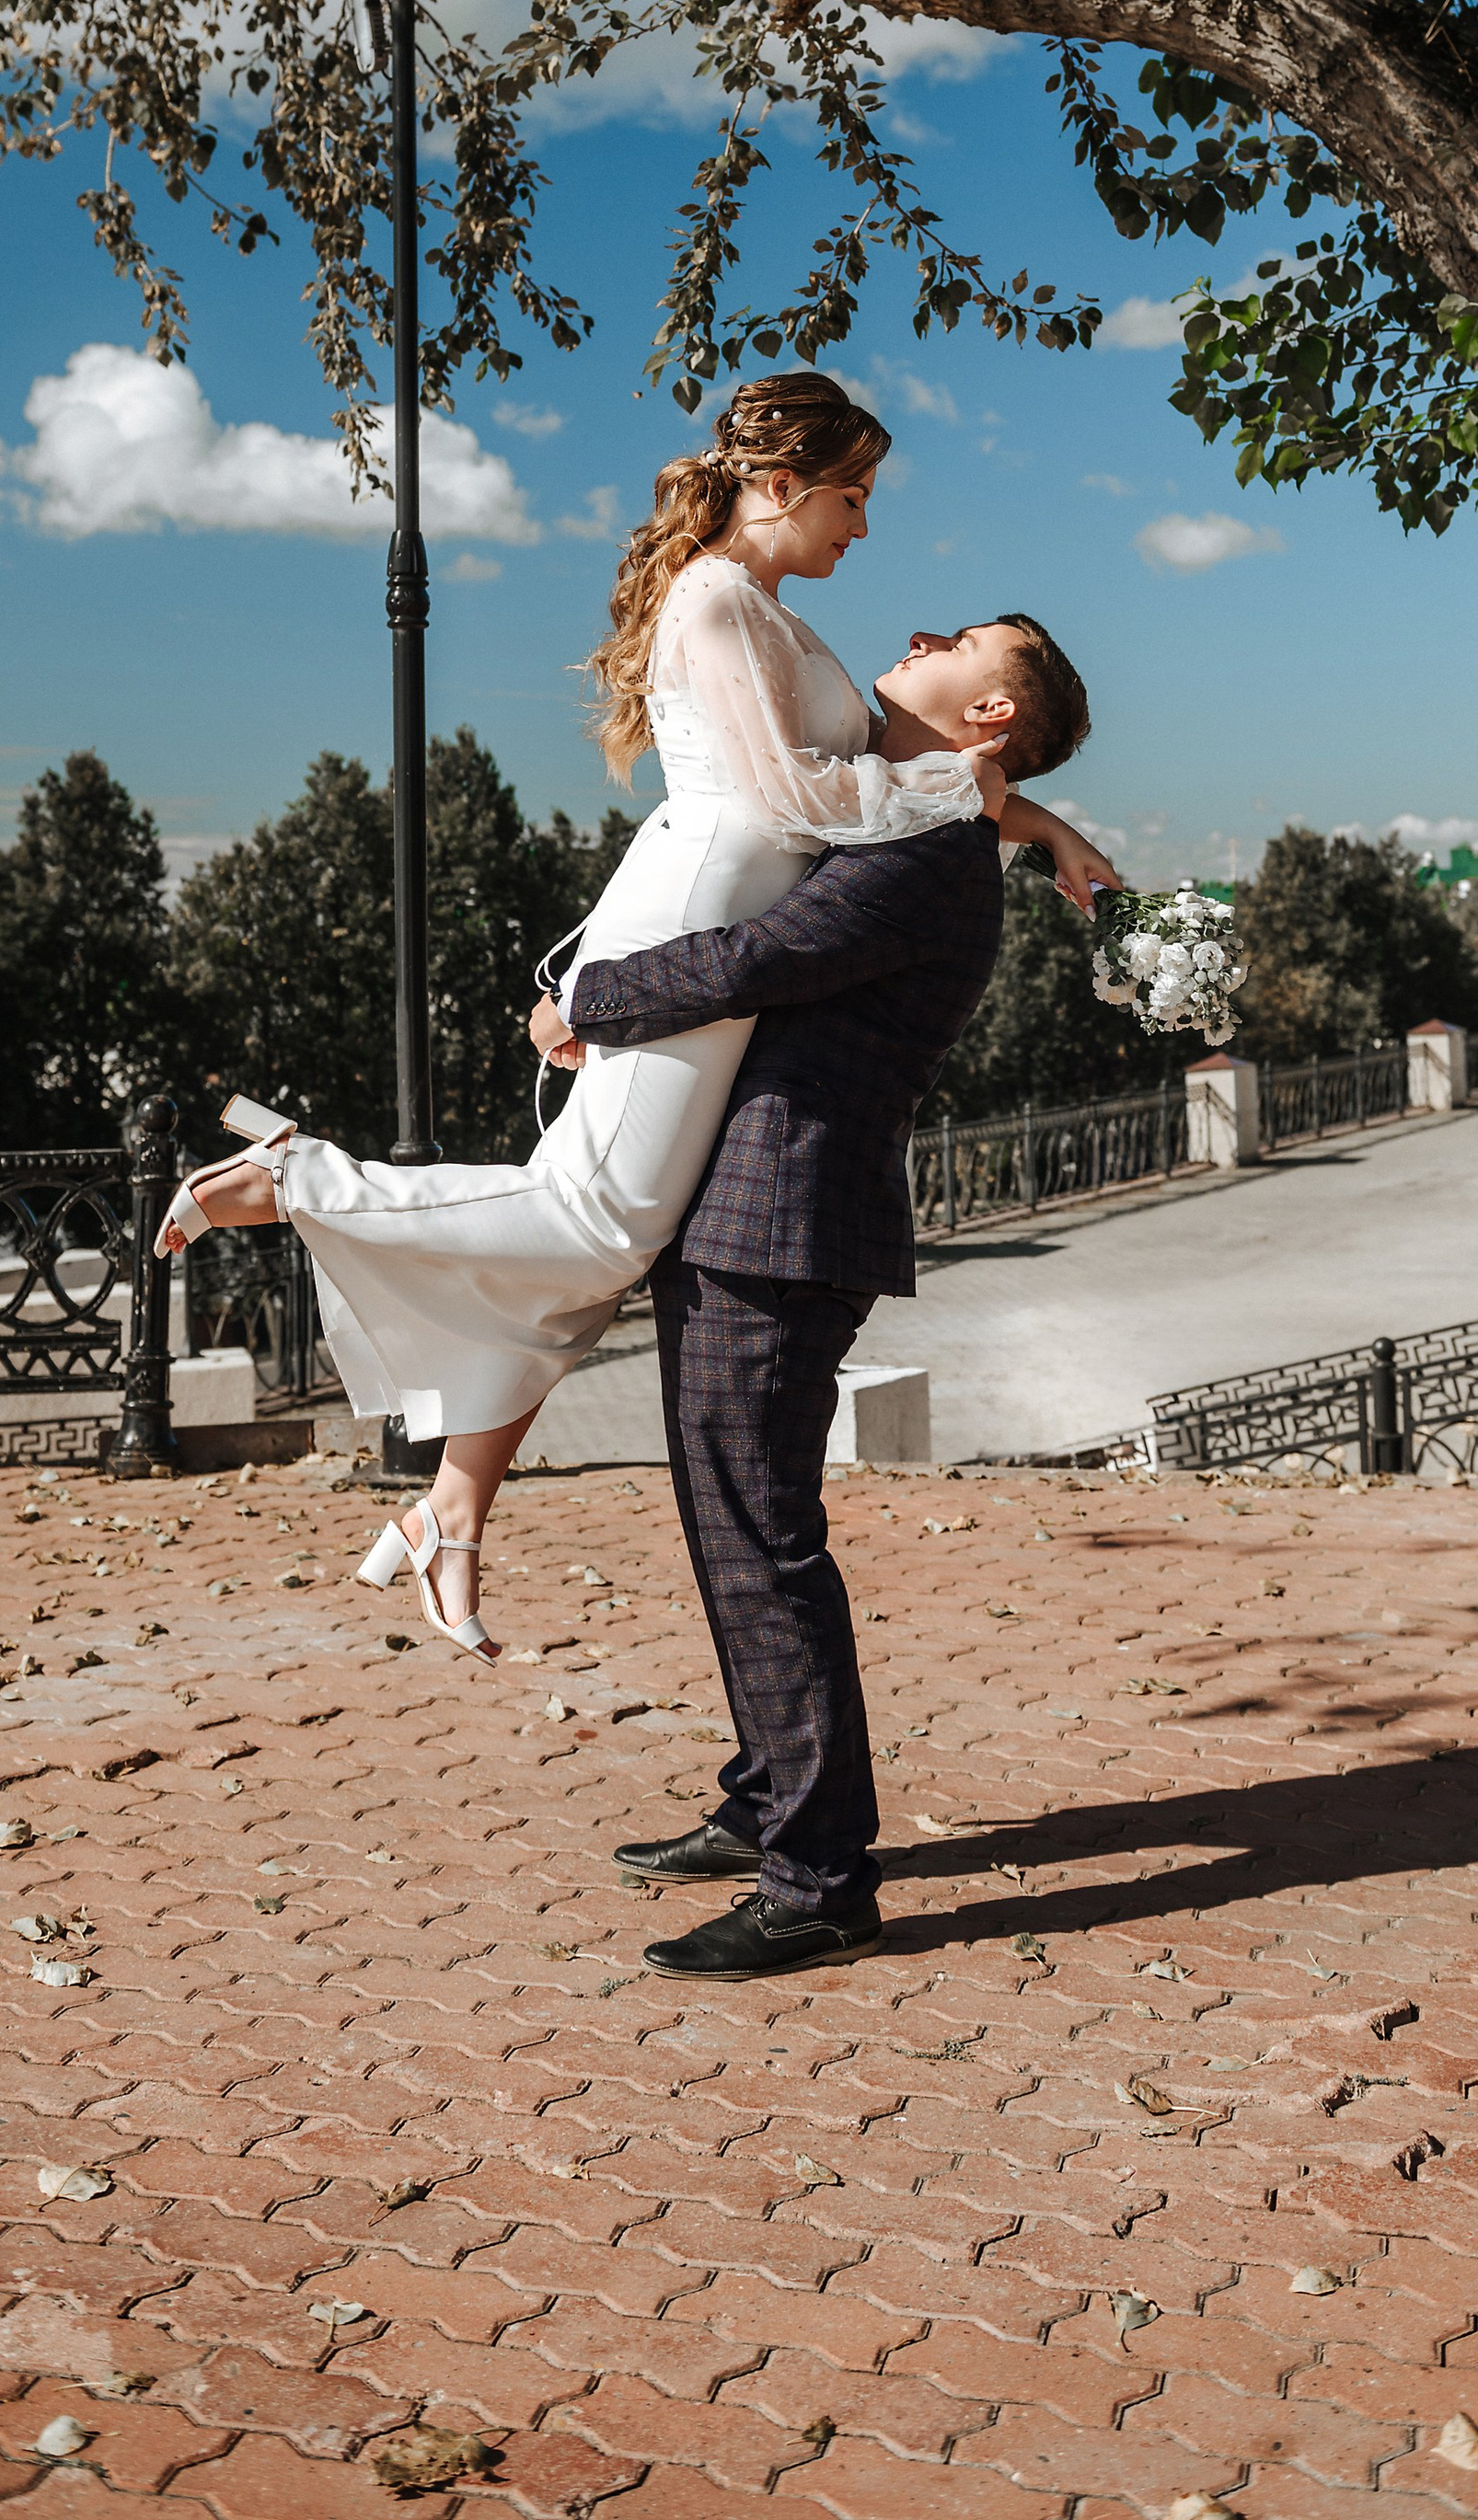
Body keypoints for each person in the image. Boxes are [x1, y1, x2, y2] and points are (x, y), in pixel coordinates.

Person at [157, 373, 1116, 1657]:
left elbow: (882, 761)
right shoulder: (718, 601)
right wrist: (980, 794)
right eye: (853, 496)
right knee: (599, 1218)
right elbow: (799, 802)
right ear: (781, 485)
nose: (864, 526)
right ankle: (301, 1181)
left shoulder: (764, 609)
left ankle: (454, 1506)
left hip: (716, 912)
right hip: (698, 916)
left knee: (606, 1236)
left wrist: (1030, 817)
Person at [528, 612, 1094, 1980]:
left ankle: (822, 1880)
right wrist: (1050, 824)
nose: (923, 629)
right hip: (755, 1214)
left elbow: (755, 959)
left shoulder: (928, 857)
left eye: (967, 639)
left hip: (783, 1220)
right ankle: (767, 1802)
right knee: (733, 1526)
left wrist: (585, 1001)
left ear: (991, 715)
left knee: (762, 1539)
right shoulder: (924, 817)